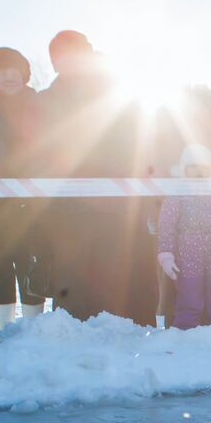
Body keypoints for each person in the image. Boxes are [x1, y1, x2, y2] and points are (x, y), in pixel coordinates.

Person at [37, 29, 156, 327]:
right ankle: (70, 344)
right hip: (67, 210)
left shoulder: (117, 92)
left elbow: (139, 140)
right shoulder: (47, 101)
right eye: (60, 58)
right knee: (71, 282)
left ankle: (119, 344)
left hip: (115, 206)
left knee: (115, 280)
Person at [154, 84, 211, 327]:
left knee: (191, 295)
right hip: (200, 236)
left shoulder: (173, 136)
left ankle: (187, 339)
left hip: (193, 238)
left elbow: (160, 181)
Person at [0, 46, 46, 327]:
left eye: (15, 71)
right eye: (3, 71)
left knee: (31, 257)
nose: (10, 77)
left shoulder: (38, 104)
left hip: (31, 198)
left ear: (24, 76)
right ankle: (5, 326)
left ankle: (34, 325)